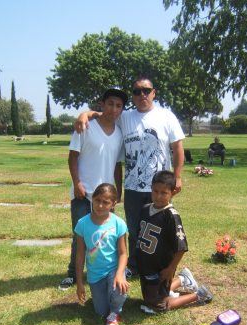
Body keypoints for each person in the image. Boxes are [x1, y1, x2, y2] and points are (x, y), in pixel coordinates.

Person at [75, 77, 185, 277]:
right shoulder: (125, 117)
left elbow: (177, 147)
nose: (142, 95)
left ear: (154, 93)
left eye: (146, 90)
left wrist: (177, 176)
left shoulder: (166, 116)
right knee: (134, 229)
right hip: (133, 186)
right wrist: (85, 114)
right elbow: (103, 113)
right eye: (137, 91)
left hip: (159, 187)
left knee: (161, 227)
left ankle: (164, 265)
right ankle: (134, 265)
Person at [59, 87, 128, 291]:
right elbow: (72, 156)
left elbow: (117, 164)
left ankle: (106, 272)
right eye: (110, 104)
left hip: (106, 196)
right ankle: (73, 274)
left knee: (106, 236)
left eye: (118, 106)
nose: (114, 109)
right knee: (79, 235)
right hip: (83, 192)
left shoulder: (119, 134)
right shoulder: (86, 126)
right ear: (102, 104)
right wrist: (77, 182)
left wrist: (119, 189)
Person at [136, 170, 213, 313]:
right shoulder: (146, 209)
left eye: (164, 193)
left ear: (172, 193)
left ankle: (199, 294)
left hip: (161, 268)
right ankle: (183, 279)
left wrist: (170, 268)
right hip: (146, 265)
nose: (158, 196)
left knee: (159, 306)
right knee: (150, 297)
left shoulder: (171, 216)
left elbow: (181, 247)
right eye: (155, 191)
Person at [75, 183, 129, 325]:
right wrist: (79, 283)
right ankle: (107, 299)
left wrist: (119, 274)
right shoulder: (82, 224)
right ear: (92, 199)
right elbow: (79, 255)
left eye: (105, 202)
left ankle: (115, 312)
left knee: (118, 291)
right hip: (95, 274)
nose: (100, 205)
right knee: (100, 311)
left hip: (113, 269)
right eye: (97, 200)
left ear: (113, 204)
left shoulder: (118, 223)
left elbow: (123, 253)